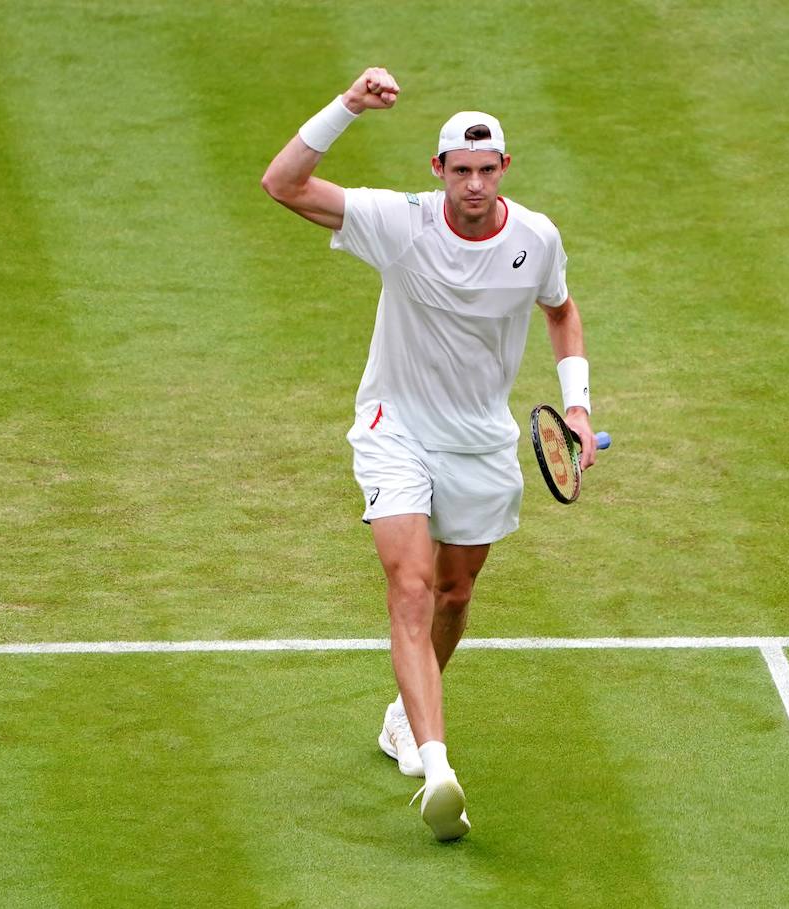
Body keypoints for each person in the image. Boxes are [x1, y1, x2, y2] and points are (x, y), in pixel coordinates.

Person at [261, 67, 597, 842]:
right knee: (410, 587)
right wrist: (346, 104)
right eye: (460, 170)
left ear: (503, 169)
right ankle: (437, 761)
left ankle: (401, 716)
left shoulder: (536, 238)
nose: (474, 184)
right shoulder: (399, 221)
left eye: (487, 170)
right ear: (437, 170)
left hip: (481, 440)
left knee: (453, 593)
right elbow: (282, 183)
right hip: (395, 429)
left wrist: (576, 401)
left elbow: (562, 310)